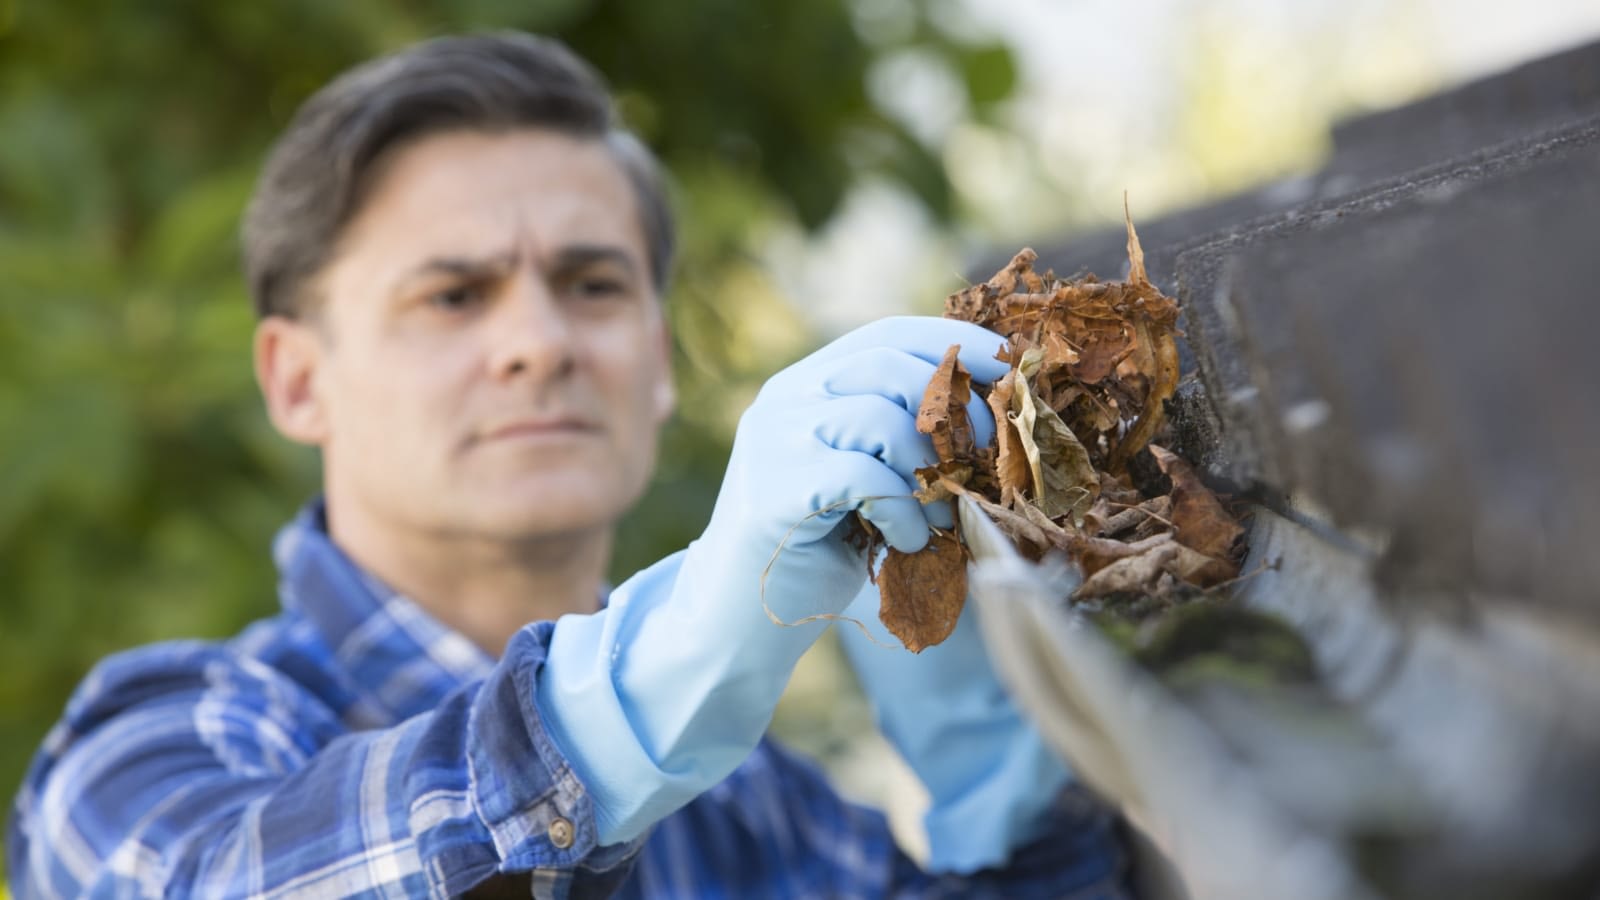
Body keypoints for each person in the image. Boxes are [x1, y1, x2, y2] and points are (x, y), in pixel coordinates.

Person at [6, 32, 1128, 899]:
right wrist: (635, 701)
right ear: (297, 379)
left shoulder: (753, 807)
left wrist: (1009, 800)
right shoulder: (156, 747)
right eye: (453, 294)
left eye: (592, 284)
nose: (539, 342)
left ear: (653, 363)